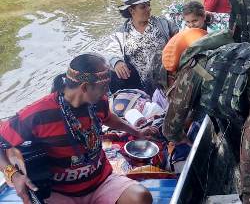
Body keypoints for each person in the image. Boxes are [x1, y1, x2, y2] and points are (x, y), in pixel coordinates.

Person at [160, 30, 250, 204]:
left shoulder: (190, 69)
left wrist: (181, 138)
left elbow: (171, 127)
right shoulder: (218, 53)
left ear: (172, 74)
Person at [0, 53, 157, 204]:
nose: (107, 92)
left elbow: (108, 118)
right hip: (59, 193)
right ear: (84, 87)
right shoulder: (38, 114)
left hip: (100, 182)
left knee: (141, 198)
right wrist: (12, 174)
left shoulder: (98, 102)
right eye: (104, 87)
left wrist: (137, 132)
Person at [106, 0, 179, 95]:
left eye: (148, 5)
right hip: (137, 82)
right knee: (113, 73)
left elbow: (180, 38)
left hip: (164, 79)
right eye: (143, 7)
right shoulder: (122, 33)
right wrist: (117, 62)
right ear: (131, 10)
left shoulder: (164, 24)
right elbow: (112, 50)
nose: (148, 9)